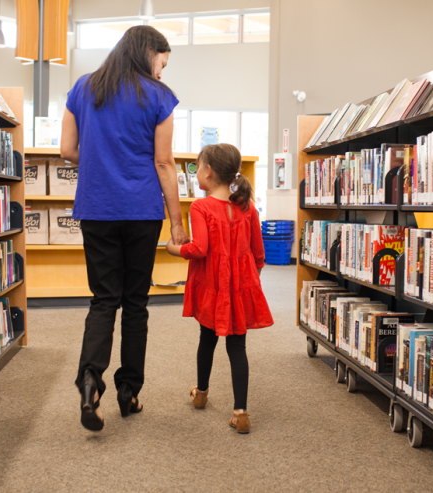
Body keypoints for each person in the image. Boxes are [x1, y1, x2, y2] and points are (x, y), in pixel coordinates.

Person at [61, 26, 189, 432]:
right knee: (135, 303)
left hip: (96, 209)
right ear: (149, 52)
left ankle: (89, 380)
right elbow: (164, 163)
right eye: (161, 63)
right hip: (141, 211)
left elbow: (67, 151)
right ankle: (128, 391)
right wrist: (177, 222)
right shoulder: (158, 97)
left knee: (103, 300)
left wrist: (102, 166)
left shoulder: (83, 87)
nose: (161, 73)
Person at [165, 143, 273, 434]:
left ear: (208, 171)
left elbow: (199, 249)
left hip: (212, 286)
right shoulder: (247, 206)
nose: (197, 171)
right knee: (238, 346)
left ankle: (201, 393)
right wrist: (248, 280)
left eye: (198, 167)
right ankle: (241, 412)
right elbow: (258, 253)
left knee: (207, 336)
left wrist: (172, 248)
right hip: (239, 286)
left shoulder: (201, 206)